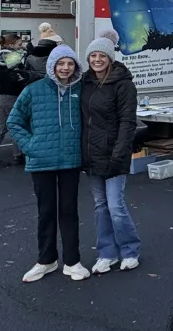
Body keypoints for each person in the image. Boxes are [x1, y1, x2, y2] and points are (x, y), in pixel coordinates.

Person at [8, 44, 89, 282]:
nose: (65, 68)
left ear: (75, 66)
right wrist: (30, 147)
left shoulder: (82, 90)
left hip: (70, 161)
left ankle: (72, 262)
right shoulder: (34, 90)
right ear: (52, 66)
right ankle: (46, 260)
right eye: (60, 63)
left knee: (69, 211)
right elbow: (14, 122)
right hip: (41, 161)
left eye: (70, 63)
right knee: (46, 212)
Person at [80, 37, 140, 273]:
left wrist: (119, 153)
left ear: (110, 59)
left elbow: (128, 121)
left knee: (115, 206)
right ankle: (107, 253)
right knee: (100, 206)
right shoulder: (84, 82)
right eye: (93, 56)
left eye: (102, 56)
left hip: (114, 153)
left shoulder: (123, 84)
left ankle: (130, 249)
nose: (97, 60)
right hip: (91, 154)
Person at [0, 33, 30, 168]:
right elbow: (18, 76)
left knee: (2, 126)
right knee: (16, 124)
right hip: (11, 96)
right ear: (11, 45)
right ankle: (17, 155)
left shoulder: (0, 58)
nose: (22, 47)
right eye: (20, 45)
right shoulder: (13, 57)